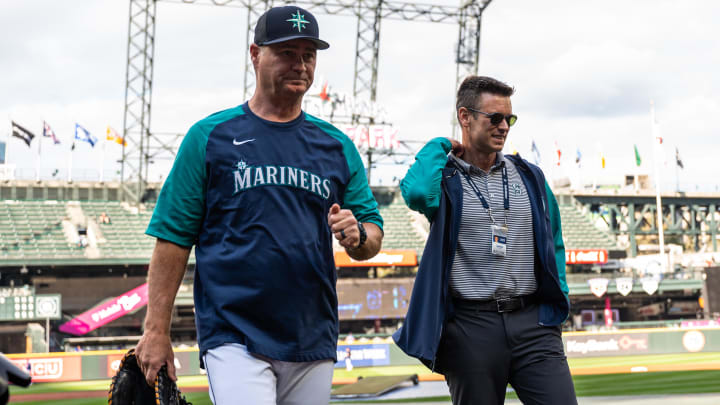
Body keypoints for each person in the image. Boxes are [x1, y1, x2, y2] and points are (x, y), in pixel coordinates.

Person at [135, 5, 384, 405]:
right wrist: (155, 330)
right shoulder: (209, 137)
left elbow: (372, 232)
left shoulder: (336, 146)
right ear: (255, 54)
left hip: (311, 334)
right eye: (286, 52)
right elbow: (172, 239)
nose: (299, 64)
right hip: (234, 332)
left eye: (308, 54)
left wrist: (359, 236)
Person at [393, 76, 576, 405]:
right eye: (495, 118)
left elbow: (554, 240)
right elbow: (418, 193)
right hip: (470, 326)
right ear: (465, 117)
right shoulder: (446, 177)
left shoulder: (530, 176)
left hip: (532, 323)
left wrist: (557, 299)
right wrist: (440, 146)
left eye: (510, 118)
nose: (504, 126)